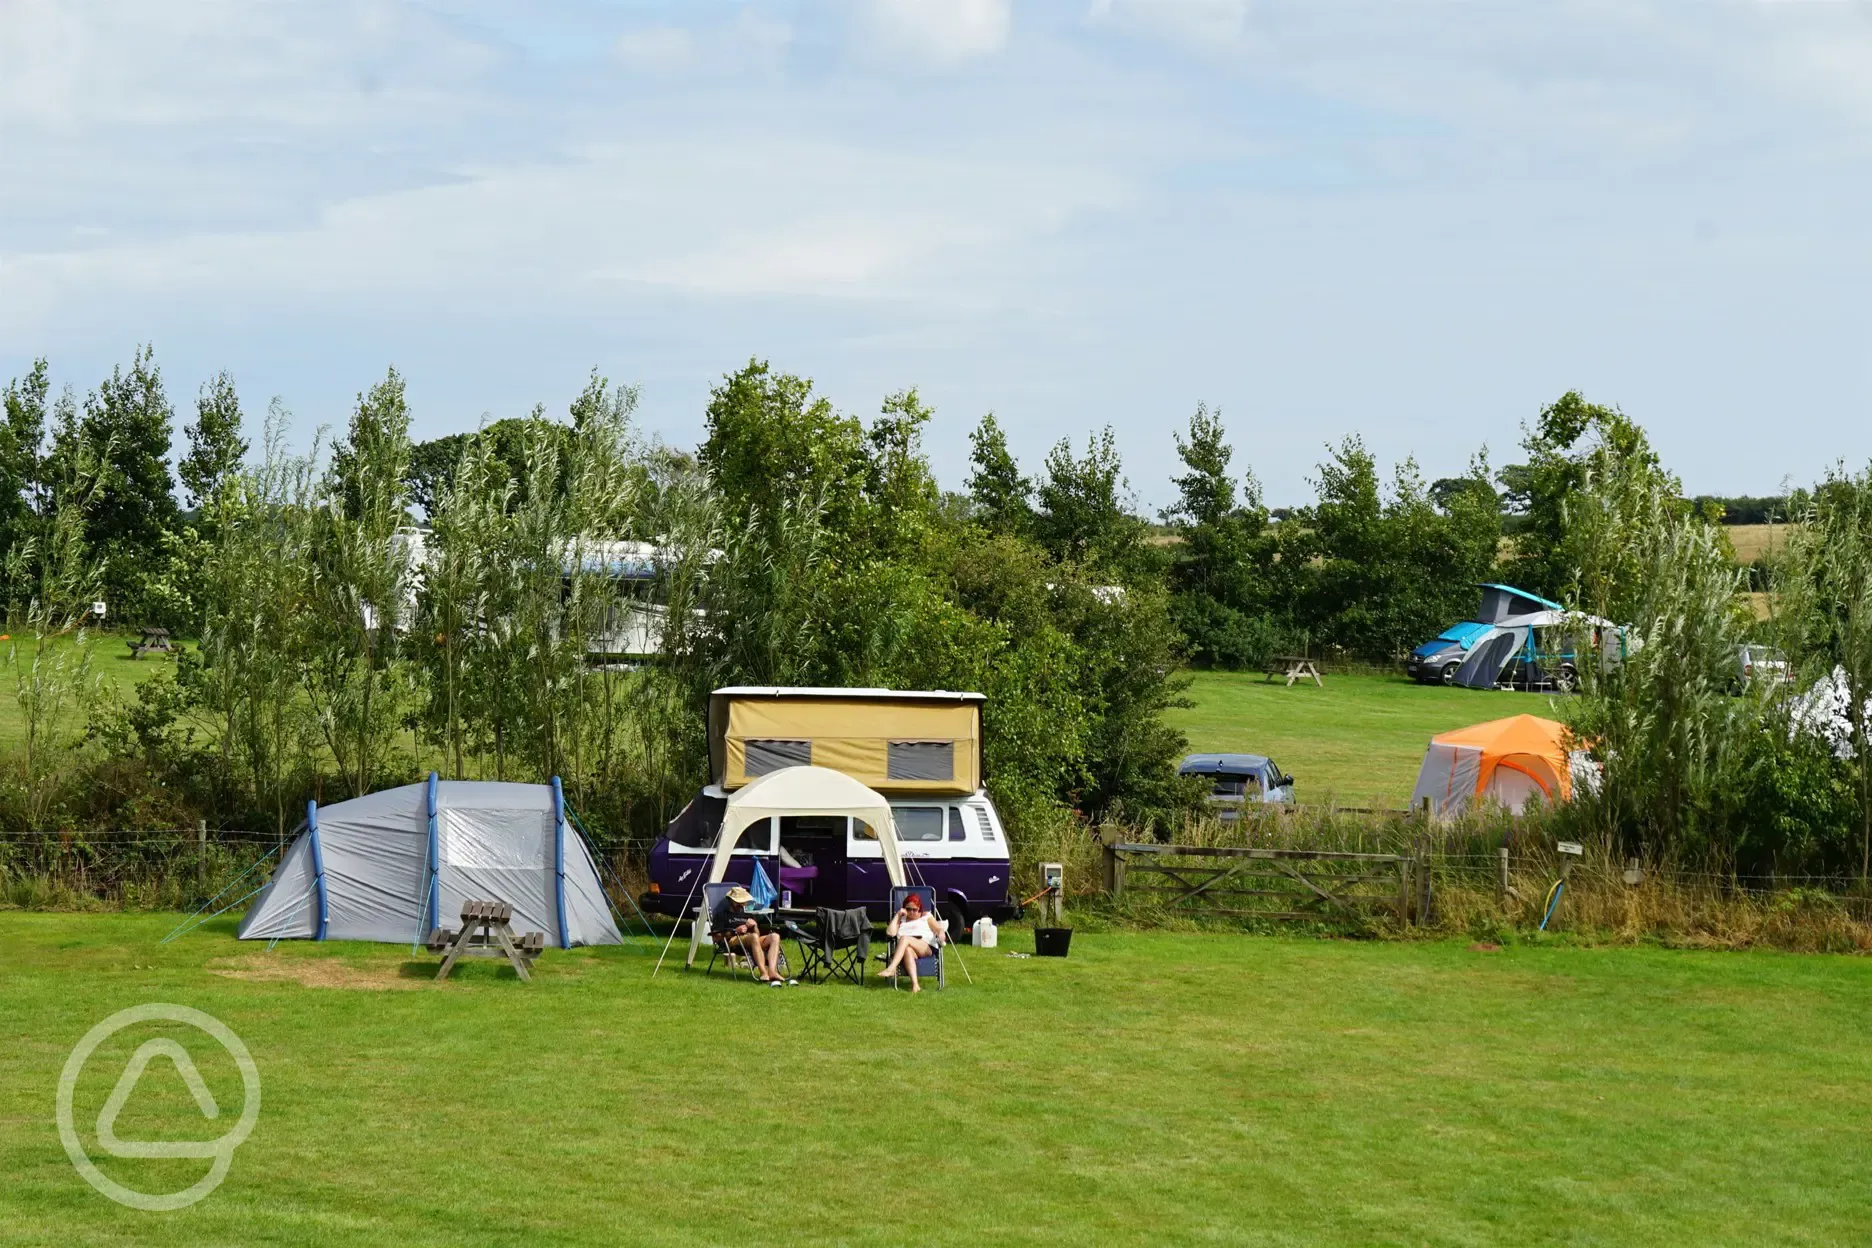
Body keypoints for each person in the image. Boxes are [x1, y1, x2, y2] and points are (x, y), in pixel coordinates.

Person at [720, 885, 792, 986]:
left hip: (752, 940)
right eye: (739, 902)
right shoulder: (722, 914)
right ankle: (763, 973)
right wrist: (735, 930)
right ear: (732, 901)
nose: (742, 904)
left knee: (775, 936)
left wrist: (754, 925)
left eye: (743, 901)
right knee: (753, 937)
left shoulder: (746, 912)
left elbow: (757, 934)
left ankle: (772, 971)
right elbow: (717, 936)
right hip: (733, 940)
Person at [880, 893, 943, 992]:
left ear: (919, 908)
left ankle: (891, 968)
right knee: (907, 950)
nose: (912, 912)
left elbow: (938, 929)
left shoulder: (926, 916)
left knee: (905, 938)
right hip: (907, 947)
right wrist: (898, 915)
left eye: (915, 909)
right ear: (904, 908)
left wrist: (941, 934)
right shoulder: (901, 919)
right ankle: (915, 985)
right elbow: (890, 933)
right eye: (908, 909)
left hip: (925, 946)